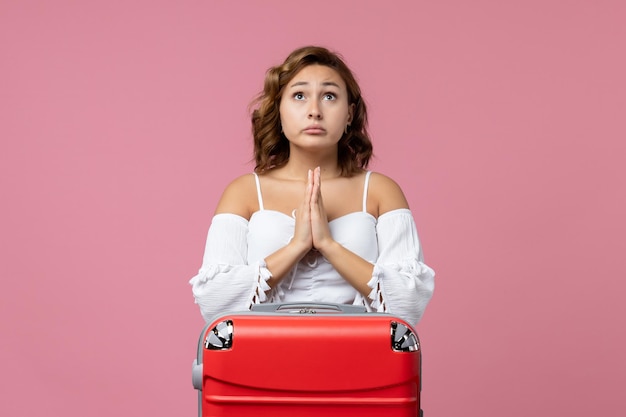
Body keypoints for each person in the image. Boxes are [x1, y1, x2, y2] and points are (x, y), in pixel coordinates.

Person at [189, 46, 434, 326]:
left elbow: (409, 305)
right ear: (279, 110)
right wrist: (297, 246)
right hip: (261, 360)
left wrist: (328, 245)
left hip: (361, 360)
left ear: (350, 114)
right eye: (299, 96)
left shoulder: (381, 191)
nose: (314, 111)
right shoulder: (243, 192)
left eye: (329, 96)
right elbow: (214, 304)